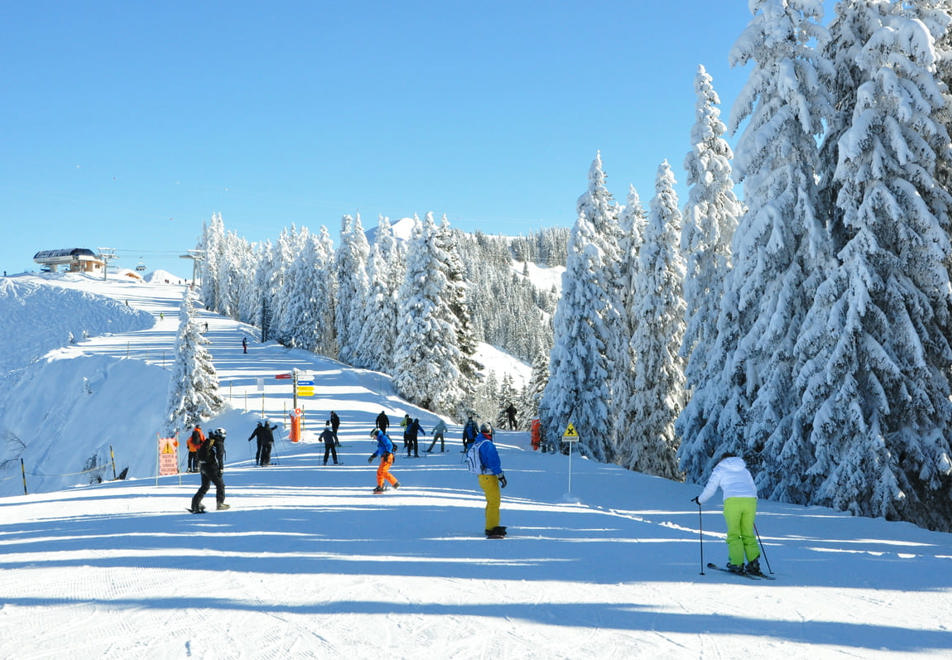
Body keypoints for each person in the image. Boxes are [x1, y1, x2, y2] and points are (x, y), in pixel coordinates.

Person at [692, 453, 762, 575]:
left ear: (722, 460)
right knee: (748, 533)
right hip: (750, 501)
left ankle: (737, 563)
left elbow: (710, 488)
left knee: (734, 533)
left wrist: (700, 500)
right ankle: (754, 563)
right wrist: (751, 500)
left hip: (733, 501)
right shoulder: (744, 470)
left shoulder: (720, 468)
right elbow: (753, 487)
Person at [467, 422, 507, 538]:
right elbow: (493, 461)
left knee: (491, 501)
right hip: (489, 476)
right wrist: (501, 476)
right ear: (490, 431)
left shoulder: (477, 442)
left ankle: (492, 525)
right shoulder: (487, 444)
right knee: (494, 501)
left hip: (482, 477)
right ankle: (491, 528)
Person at [190, 428, 229, 513]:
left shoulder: (209, 440)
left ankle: (195, 504)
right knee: (220, 485)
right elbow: (219, 456)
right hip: (211, 466)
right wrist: (221, 468)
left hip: (203, 466)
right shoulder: (218, 443)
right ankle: (220, 504)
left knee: (205, 486)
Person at [368, 428, 400, 493]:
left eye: (373, 436)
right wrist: (373, 456)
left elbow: (389, 445)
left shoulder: (383, 437)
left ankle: (395, 483)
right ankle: (380, 486)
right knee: (379, 472)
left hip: (388, 457)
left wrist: (387, 453)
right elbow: (379, 450)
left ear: (376, 434)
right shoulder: (380, 440)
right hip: (384, 457)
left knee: (383, 471)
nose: (373, 438)